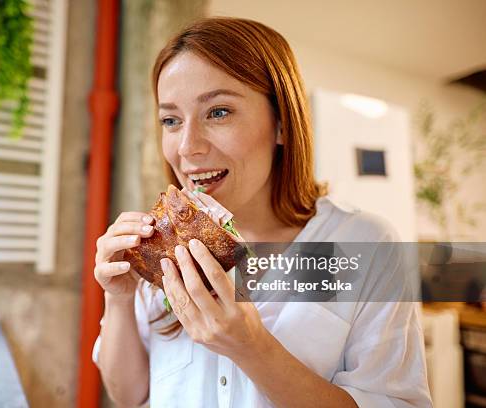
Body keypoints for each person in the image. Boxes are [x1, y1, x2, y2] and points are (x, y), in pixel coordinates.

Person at [92, 17, 432, 408]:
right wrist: (119, 297)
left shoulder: (364, 245)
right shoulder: (163, 248)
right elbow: (129, 395)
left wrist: (251, 347)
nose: (187, 147)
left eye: (218, 112)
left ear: (282, 124)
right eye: (171, 120)